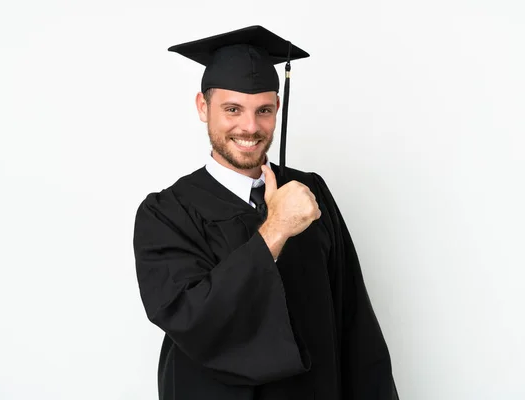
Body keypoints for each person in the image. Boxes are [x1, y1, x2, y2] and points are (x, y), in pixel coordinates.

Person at [133, 25, 399, 400]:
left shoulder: (310, 192)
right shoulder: (165, 213)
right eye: (232, 109)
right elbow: (189, 317)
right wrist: (276, 229)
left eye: (264, 110)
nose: (250, 126)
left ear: (277, 109)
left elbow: (353, 322)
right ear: (202, 107)